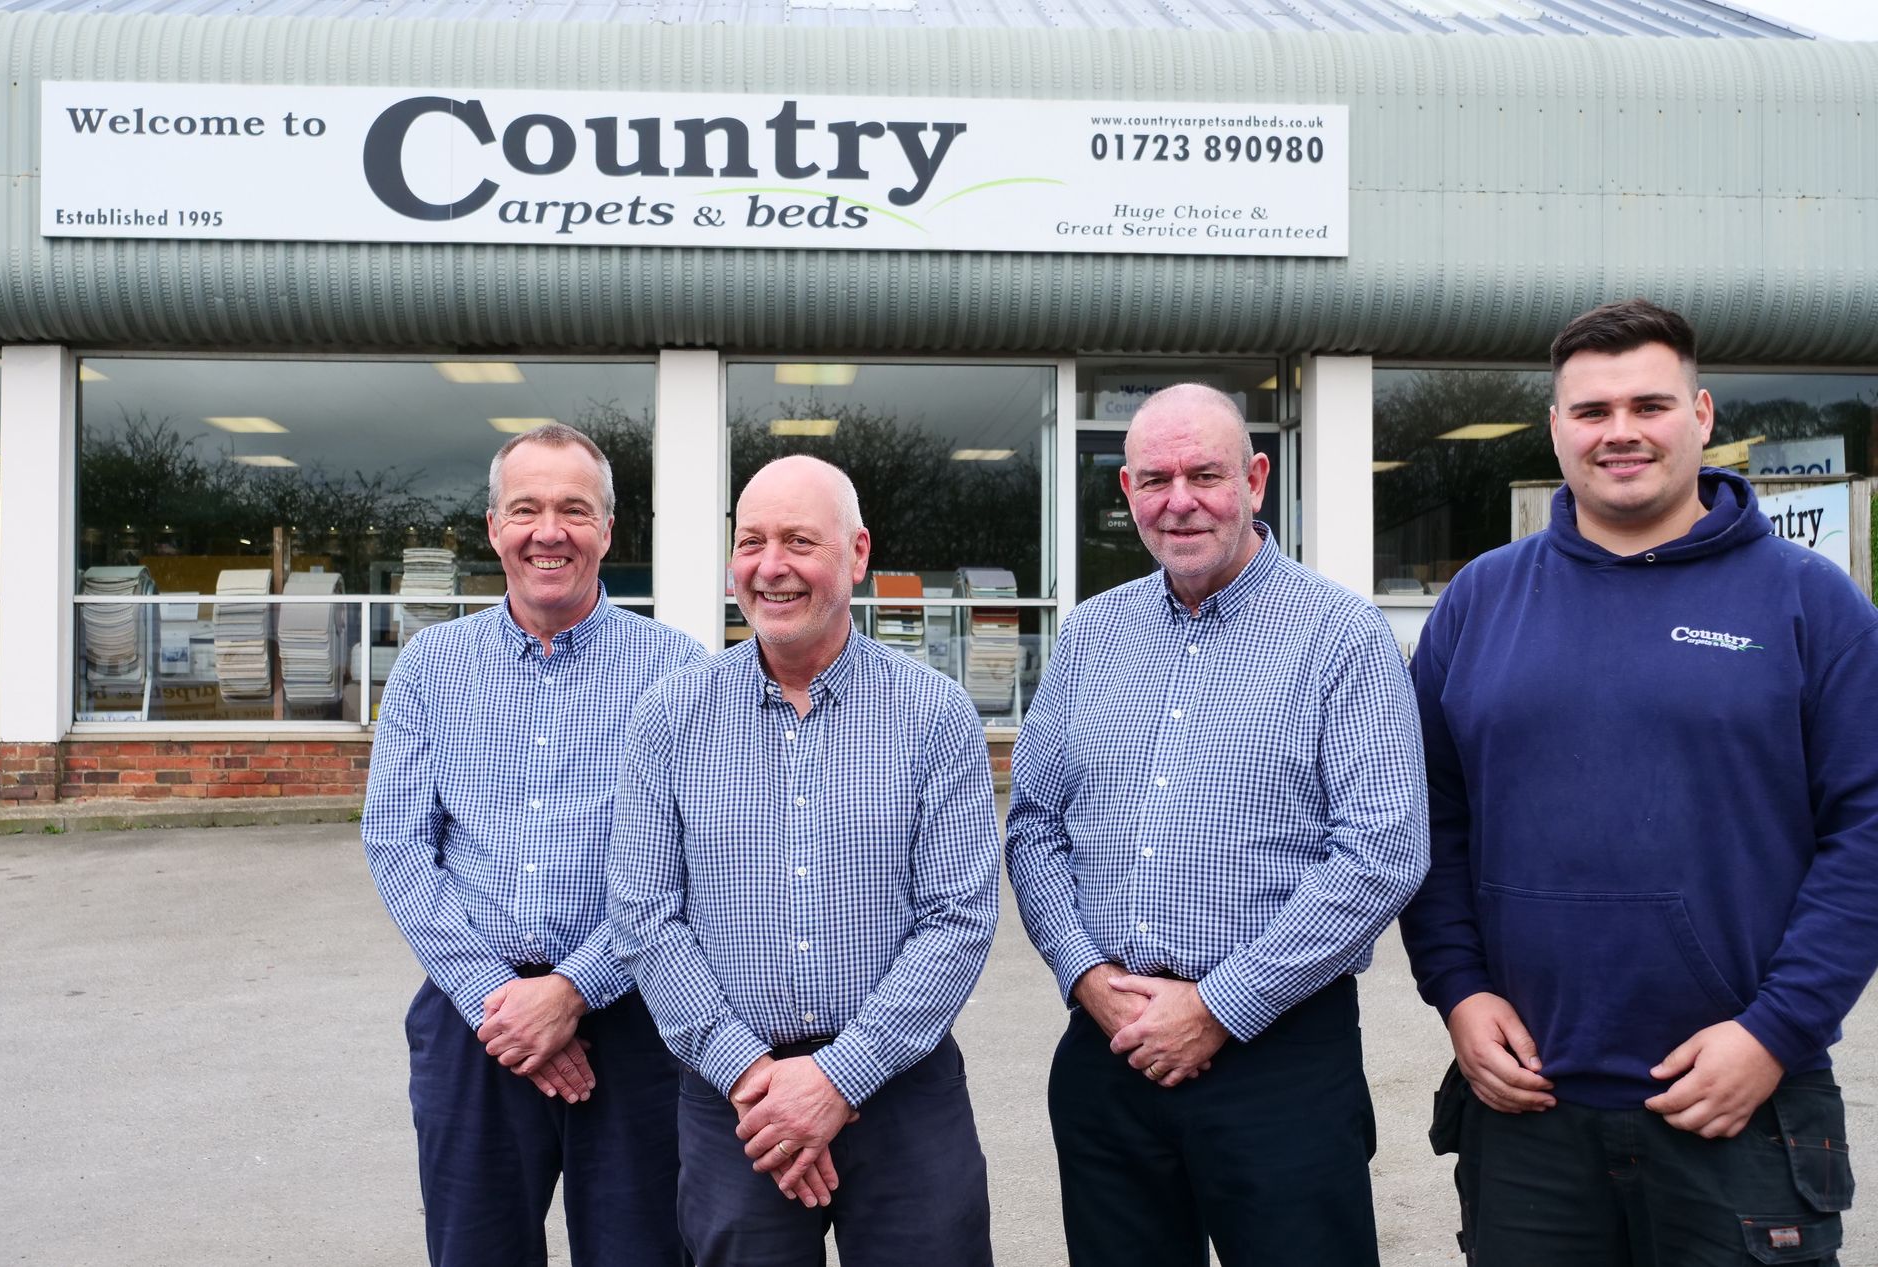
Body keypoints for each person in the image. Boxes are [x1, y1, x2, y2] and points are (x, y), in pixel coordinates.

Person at [1401, 298, 1878, 1265]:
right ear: (1555, 430)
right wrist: (1456, 989)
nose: (1620, 431)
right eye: (1591, 410)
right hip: (1528, 1110)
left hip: (1743, 1109)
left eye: (1648, 404)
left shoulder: (1809, 601)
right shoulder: (1481, 601)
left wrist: (1774, 1032)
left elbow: (1867, 831)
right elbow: (1427, 817)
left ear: (1701, 417)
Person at [1006, 382, 1431, 1267]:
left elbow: (1382, 851)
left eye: (1205, 473)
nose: (1180, 499)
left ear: (1257, 478)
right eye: (1155, 478)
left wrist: (1217, 1007)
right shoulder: (1089, 638)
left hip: (1278, 1058)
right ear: (1127, 491)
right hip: (1109, 1051)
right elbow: (1036, 827)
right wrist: (1087, 976)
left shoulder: (1341, 637)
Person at [608, 454, 1001, 1267]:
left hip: (902, 1088)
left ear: (856, 554)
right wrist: (754, 1075)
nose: (771, 565)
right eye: (751, 541)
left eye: (798, 540)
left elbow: (958, 918)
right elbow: (646, 912)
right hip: (733, 1103)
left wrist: (835, 1079)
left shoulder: (935, 715)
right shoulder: (668, 716)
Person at [362, 422, 701, 1267]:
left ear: (609, 530)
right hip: (473, 1021)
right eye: (526, 509)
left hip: (639, 1021)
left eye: (574, 510)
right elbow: (399, 845)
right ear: (493, 527)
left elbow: (694, 863)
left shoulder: (681, 674)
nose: (549, 531)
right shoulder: (430, 668)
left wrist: (573, 992)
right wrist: (503, 1004)